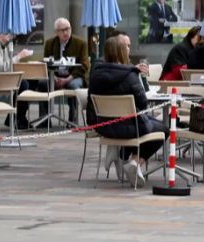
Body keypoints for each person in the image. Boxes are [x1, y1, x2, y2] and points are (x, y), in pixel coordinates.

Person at [87, 33, 166, 187]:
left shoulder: (95, 74)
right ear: (121, 52)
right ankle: (135, 162)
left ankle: (121, 154)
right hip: (128, 128)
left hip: (103, 127)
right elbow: (143, 104)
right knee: (163, 129)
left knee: (140, 123)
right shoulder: (130, 76)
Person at [43, 18, 90, 124]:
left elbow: (85, 65)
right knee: (43, 84)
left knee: (73, 85)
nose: (65, 32)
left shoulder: (81, 43)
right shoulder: (49, 43)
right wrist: (53, 77)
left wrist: (68, 79)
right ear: (56, 32)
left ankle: (72, 117)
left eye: (67, 29)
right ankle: (45, 119)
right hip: (55, 76)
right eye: (62, 30)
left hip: (74, 76)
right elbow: (45, 63)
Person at [0, 33, 32, 129]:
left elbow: (7, 66)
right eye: (9, 33)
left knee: (29, 82)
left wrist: (16, 57)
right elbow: (2, 68)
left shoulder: (2, 45)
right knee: (23, 84)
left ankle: (16, 118)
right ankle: (16, 119)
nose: (12, 35)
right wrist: (19, 56)